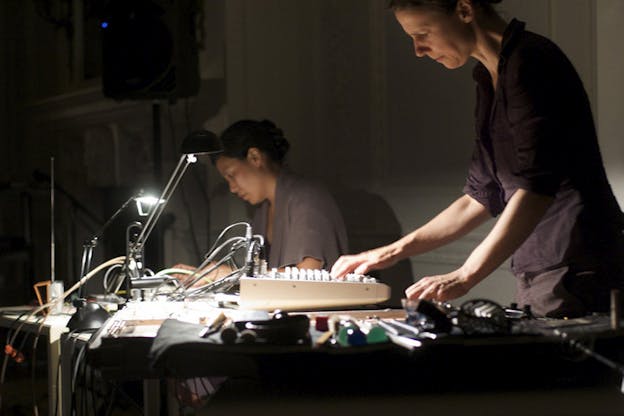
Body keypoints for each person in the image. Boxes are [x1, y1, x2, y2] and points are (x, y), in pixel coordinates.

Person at [331, 0, 624, 318]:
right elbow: (480, 195)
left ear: (465, 11)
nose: (418, 49)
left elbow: (536, 187)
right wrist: (388, 253)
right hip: (542, 268)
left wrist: (466, 274)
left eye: (423, 33)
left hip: (578, 266)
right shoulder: (488, 78)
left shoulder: (531, 63)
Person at [213, 119, 349, 271]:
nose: (232, 188)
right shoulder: (263, 211)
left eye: (231, 175)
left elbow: (307, 272)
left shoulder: (307, 197)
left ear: (254, 157)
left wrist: (230, 275)